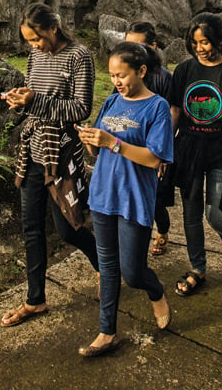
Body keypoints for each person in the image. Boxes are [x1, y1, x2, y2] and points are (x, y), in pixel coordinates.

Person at [0, 2, 99, 327]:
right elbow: (34, 98)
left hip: (63, 153)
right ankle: (35, 300)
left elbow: (81, 108)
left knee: (68, 230)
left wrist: (35, 101)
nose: (34, 46)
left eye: (37, 39)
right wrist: (20, 100)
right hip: (33, 151)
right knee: (30, 229)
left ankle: (107, 265)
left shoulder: (79, 56)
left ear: (52, 28)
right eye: (29, 41)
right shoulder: (35, 57)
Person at [76, 40, 175, 356]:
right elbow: (99, 144)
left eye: (122, 75)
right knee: (107, 269)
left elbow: (155, 158)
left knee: (132, 272)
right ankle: (106, 332)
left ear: (142, 71)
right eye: (112, 75)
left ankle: (155, 291)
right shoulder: (109, 102)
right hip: (103, 195)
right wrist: (91, 141)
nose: (116, 82)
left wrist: (113, 142)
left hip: (133, 198)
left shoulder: (156, 107)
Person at [169, 12, 222, 297]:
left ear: (218, 39)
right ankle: (197, 268)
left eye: (205, 42)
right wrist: (165, 150)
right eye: (194, 43)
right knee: (190, 214)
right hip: (189, 150)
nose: (200, 48)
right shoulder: (184, 71)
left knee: (217, 212)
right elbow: (175, 113)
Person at [122, 21, 176, 256]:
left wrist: (162, 152)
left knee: (155, 200)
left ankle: (162, 230)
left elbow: (173, 113)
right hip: (130, 147)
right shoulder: (124, 77)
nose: (133, 53)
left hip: (154, 149)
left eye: (140, 47)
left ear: (153, 46)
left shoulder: (163, 78)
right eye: (128, 46)